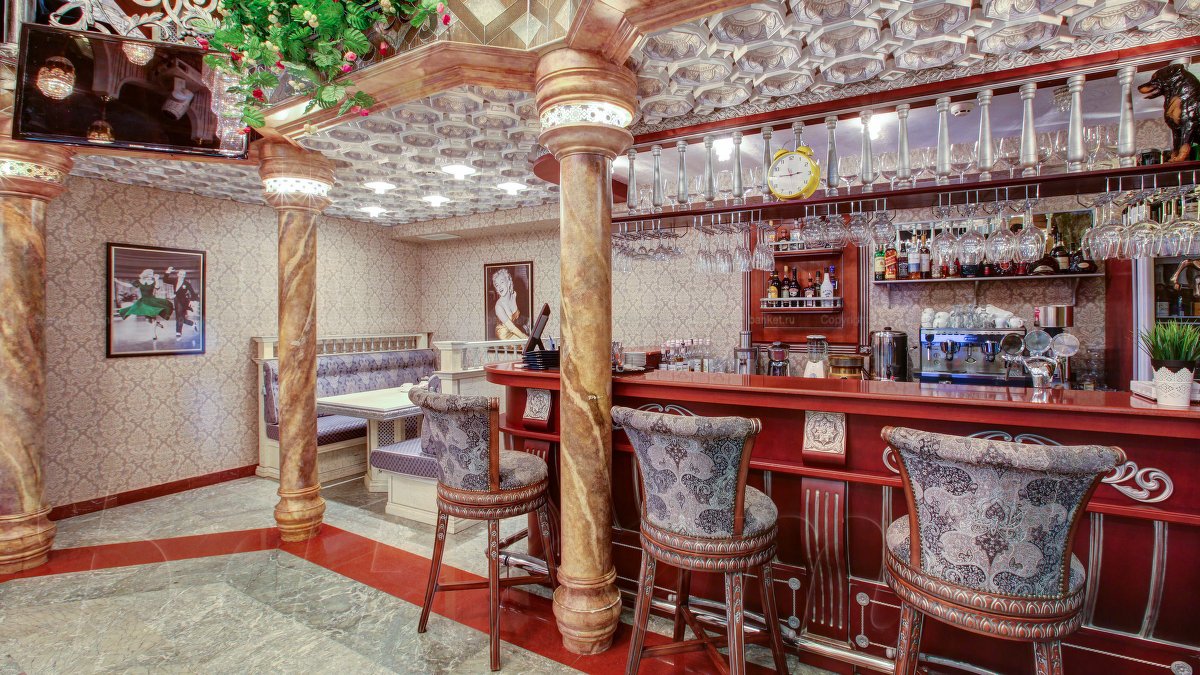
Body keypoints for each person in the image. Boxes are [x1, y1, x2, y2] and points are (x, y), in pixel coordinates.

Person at [115, 269, 173, 340]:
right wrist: (118, 281)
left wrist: (157, 279)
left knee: (152, 317)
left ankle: (154, 334)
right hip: (143, 302)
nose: (152, 275)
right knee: (148, 319)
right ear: (146, 274)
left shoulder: (153, 281)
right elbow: (129, 285)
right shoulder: (139, 281)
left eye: (152, 274)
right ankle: (156, 323)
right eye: (151, 274)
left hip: (152, 301)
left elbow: (157, 287)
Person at [491, 268, 529, 340]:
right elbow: (511, 328)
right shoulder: (498, 306)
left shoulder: (516, 295)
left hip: (515, 329)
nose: (499, 287)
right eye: (497, 285)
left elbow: (522, 314)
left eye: (502, 282)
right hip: (504, 335)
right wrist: (526, 338)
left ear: (508, 282)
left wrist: (526, 324)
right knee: (524, 344)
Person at [164, 266, 199, 338]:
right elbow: (165, 280)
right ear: (178, 274)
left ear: (185, 275)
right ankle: (192, 323)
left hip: (183, 301)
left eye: (184, 274)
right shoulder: (174, 280)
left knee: (179, 316)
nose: (182, 276)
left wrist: (191, 301)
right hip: (176, 300)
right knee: (179, 317)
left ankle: (178, 332)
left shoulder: (187, 284)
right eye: (181, 274)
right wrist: (168, 271)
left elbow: (193, 293)